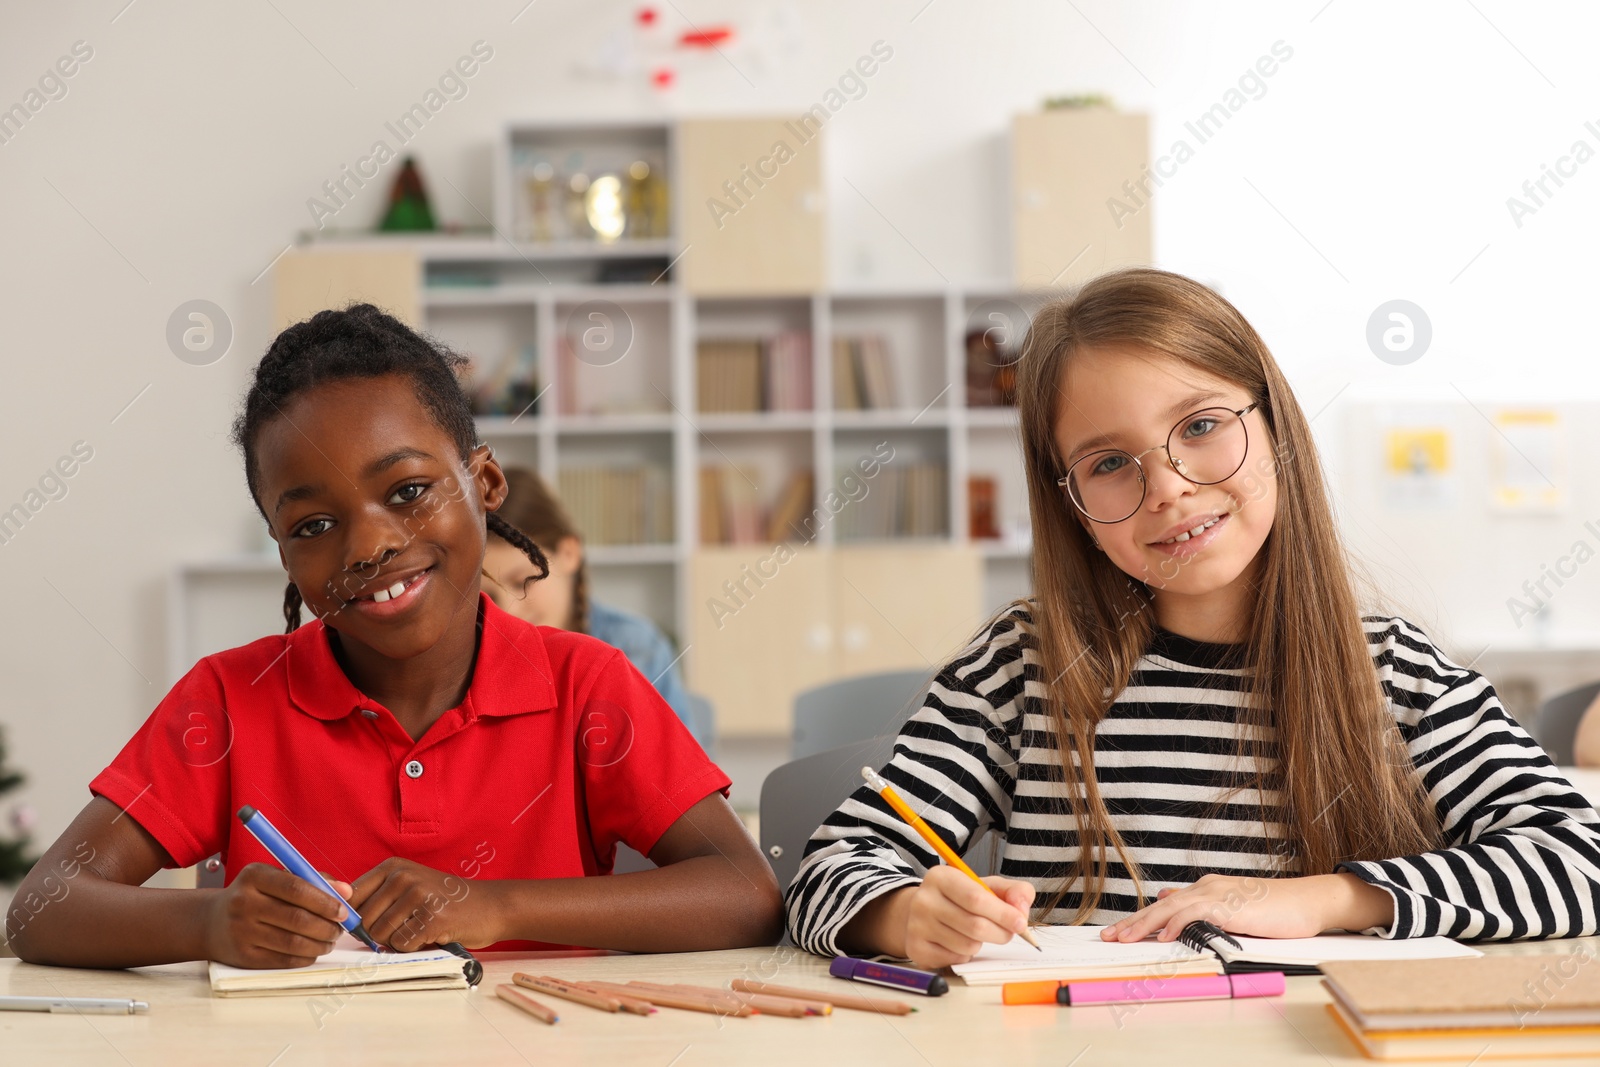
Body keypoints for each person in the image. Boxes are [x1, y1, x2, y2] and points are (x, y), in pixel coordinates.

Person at [784, 268, 1600, 967]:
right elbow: (827, 871)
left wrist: (1328, 899)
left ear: (1275, 425)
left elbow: (1581, 860)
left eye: (1201, 426)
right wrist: (904, 915)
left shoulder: (1395, 670)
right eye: (1108, 463)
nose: (1168, 484)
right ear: (1070, 505)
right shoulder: (1020, 668)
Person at [7, 304, 781, 969]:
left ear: (484, 483)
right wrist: (206, 922)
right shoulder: (226, 700)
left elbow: (746, 894)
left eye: (408, 490)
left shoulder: (586, 684)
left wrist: (497, 906)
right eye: (313, 524)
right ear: (282, 549)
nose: (366, 546)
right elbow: (41, 905)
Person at [480, 467, 707, 748]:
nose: (508, 611)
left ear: (568, 554)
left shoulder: (637, 649)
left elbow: (687, 779)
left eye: (524, 582)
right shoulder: (474, 662)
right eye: (488, 596)